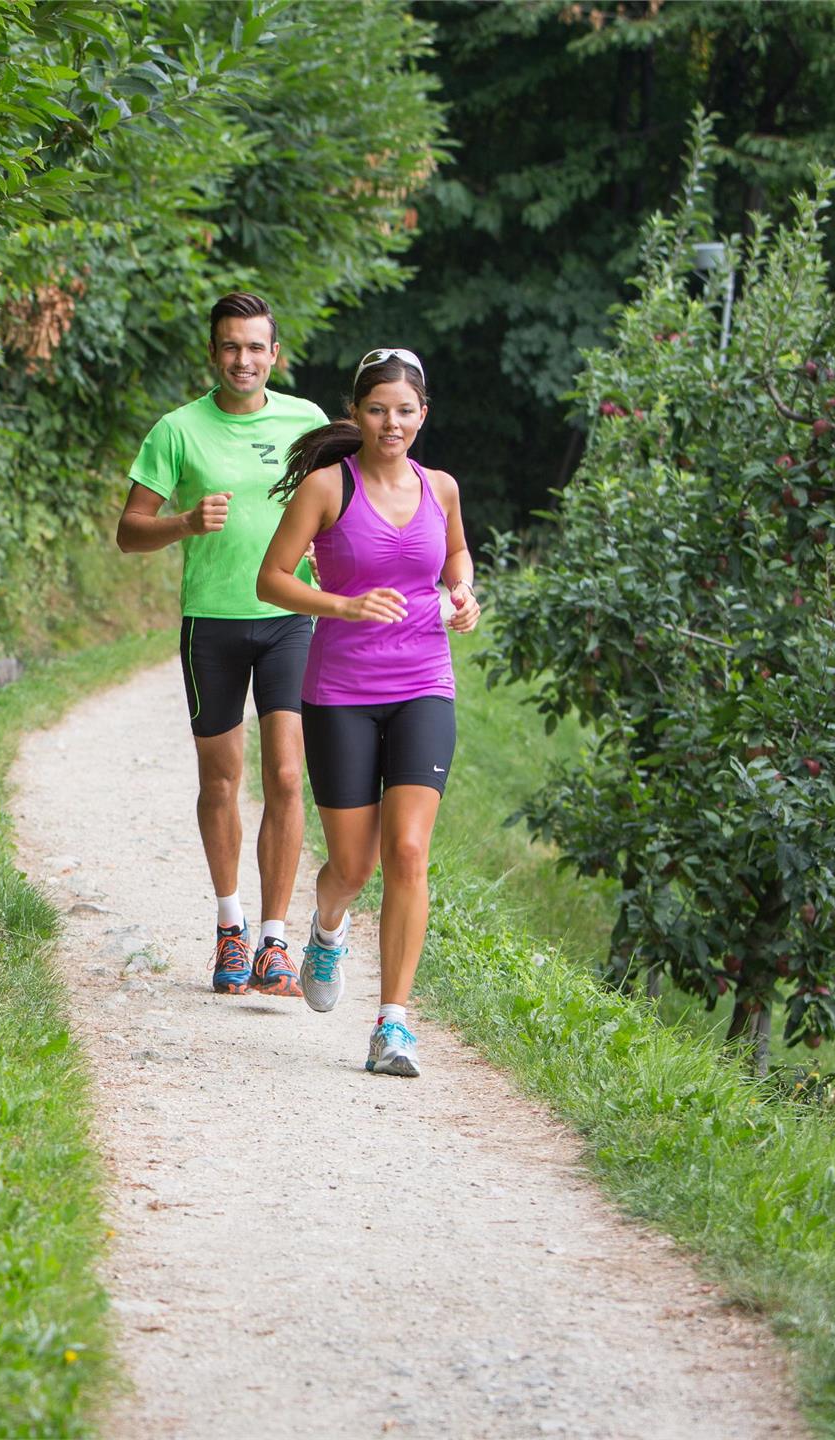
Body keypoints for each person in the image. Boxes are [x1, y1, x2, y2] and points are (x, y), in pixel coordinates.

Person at [254, 348, 480, 1077]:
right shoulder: (327, 487)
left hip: (424, 684)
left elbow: (456, 559)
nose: (392, 422)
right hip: (340, 694)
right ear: (356, 414)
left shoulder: (440, 487)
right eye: (378, 409)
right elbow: (272, 579)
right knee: (352, 866)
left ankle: (393, 1027)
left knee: (408, 852)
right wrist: (342, 605)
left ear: (424, 415)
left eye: (405, 410)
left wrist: (465, 595)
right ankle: (325, 929)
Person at [118, 293, 328, 997]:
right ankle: (230, 929)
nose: (243, 359)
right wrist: (182, 523)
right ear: (214, 353)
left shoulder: (309, 422)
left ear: (277, 355)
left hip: (288, 620)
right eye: (230, 347)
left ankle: (275, 941)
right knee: (221, 781)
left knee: (290, 777)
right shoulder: (178, 431)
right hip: (210, 623)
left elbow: (347, 505)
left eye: (256, 347)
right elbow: (129, 531)